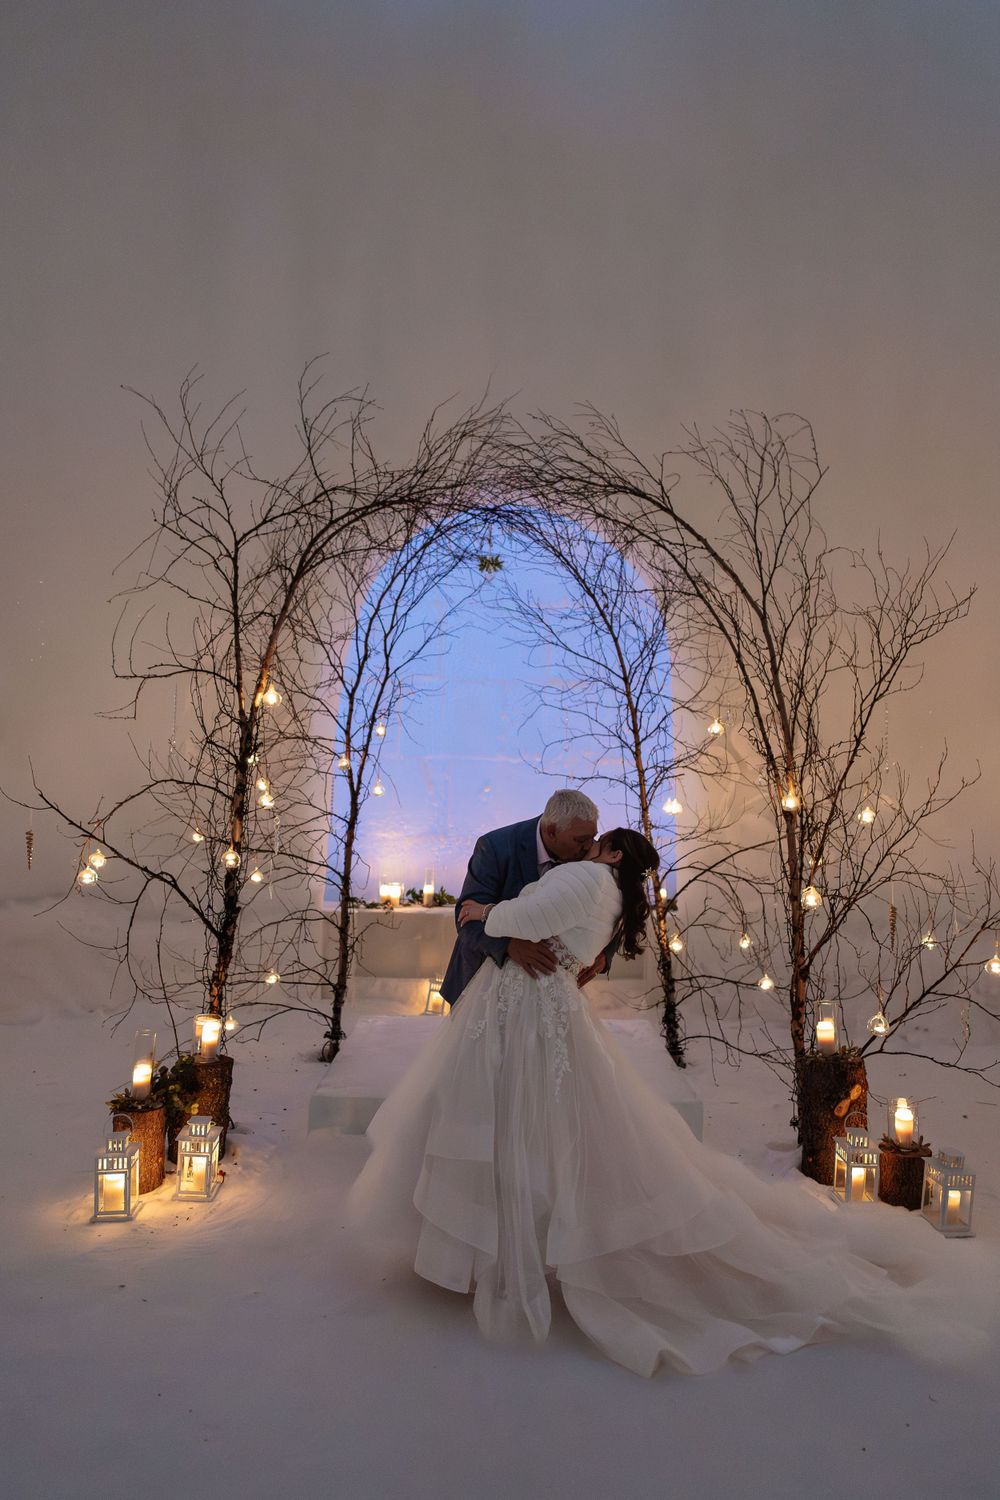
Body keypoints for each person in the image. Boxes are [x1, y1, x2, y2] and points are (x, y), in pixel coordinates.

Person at [346, 825, 972, 1378]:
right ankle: (524, 1241)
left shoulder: (586, 877)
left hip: (535, 1016)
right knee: (550, 1129)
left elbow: (519, 919)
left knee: (526, 1125)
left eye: (594, 841)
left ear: (613, 853)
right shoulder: (612, 894)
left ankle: (517, 1250)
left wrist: (485, 911)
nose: (585, 848)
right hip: (539, 1014)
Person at [439, 788, 612, 1010]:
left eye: (593, 837)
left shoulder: (585, 853)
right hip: (481, 985)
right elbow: (465, 918)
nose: (590, 846)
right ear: (551, 831)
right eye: (581, 840)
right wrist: (508, 945)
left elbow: (615, 895)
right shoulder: (495, 847)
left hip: (548, 996)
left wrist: (605, 954)